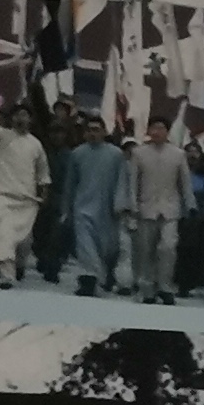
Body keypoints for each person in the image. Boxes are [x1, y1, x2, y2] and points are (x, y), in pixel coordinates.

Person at [0, 100, 50, 287]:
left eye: (25, 115)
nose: (21, 118)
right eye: (17, 115)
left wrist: (44, 192)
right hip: (0, 195)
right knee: (3, 233)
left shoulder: (35, 144)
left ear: (30, 119)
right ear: (11, 119)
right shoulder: (1, 136)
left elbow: (43, 172)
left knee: (23, 240)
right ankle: (7, 274)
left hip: (26, 200)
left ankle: (18, 265)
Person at [61, 113, 129, 298]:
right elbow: (70, 184)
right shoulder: (77, 154)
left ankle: (102, 277)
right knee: (85, 245)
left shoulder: (116, 155)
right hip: (82, 208)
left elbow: (122, 181)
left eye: (96, 130)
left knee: (106, 247)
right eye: (89, 130)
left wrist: (120, 204)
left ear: (104, 132)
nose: (93, 133)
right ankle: (89, 279)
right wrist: (66, 209)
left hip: (108, 209)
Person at [127, 120, 186, 304]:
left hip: (170, 208)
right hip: (146, 208)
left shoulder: (178, 154)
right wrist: (133, 205)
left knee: (168, 247)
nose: (157, 131)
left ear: (167, 131)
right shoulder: (139, 153)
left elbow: (184, 182)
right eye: (154, 128)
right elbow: (133, 182)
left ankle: (165, 286)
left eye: (161, 128)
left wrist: (189, 204)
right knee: (146, 251)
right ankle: (147, 289)